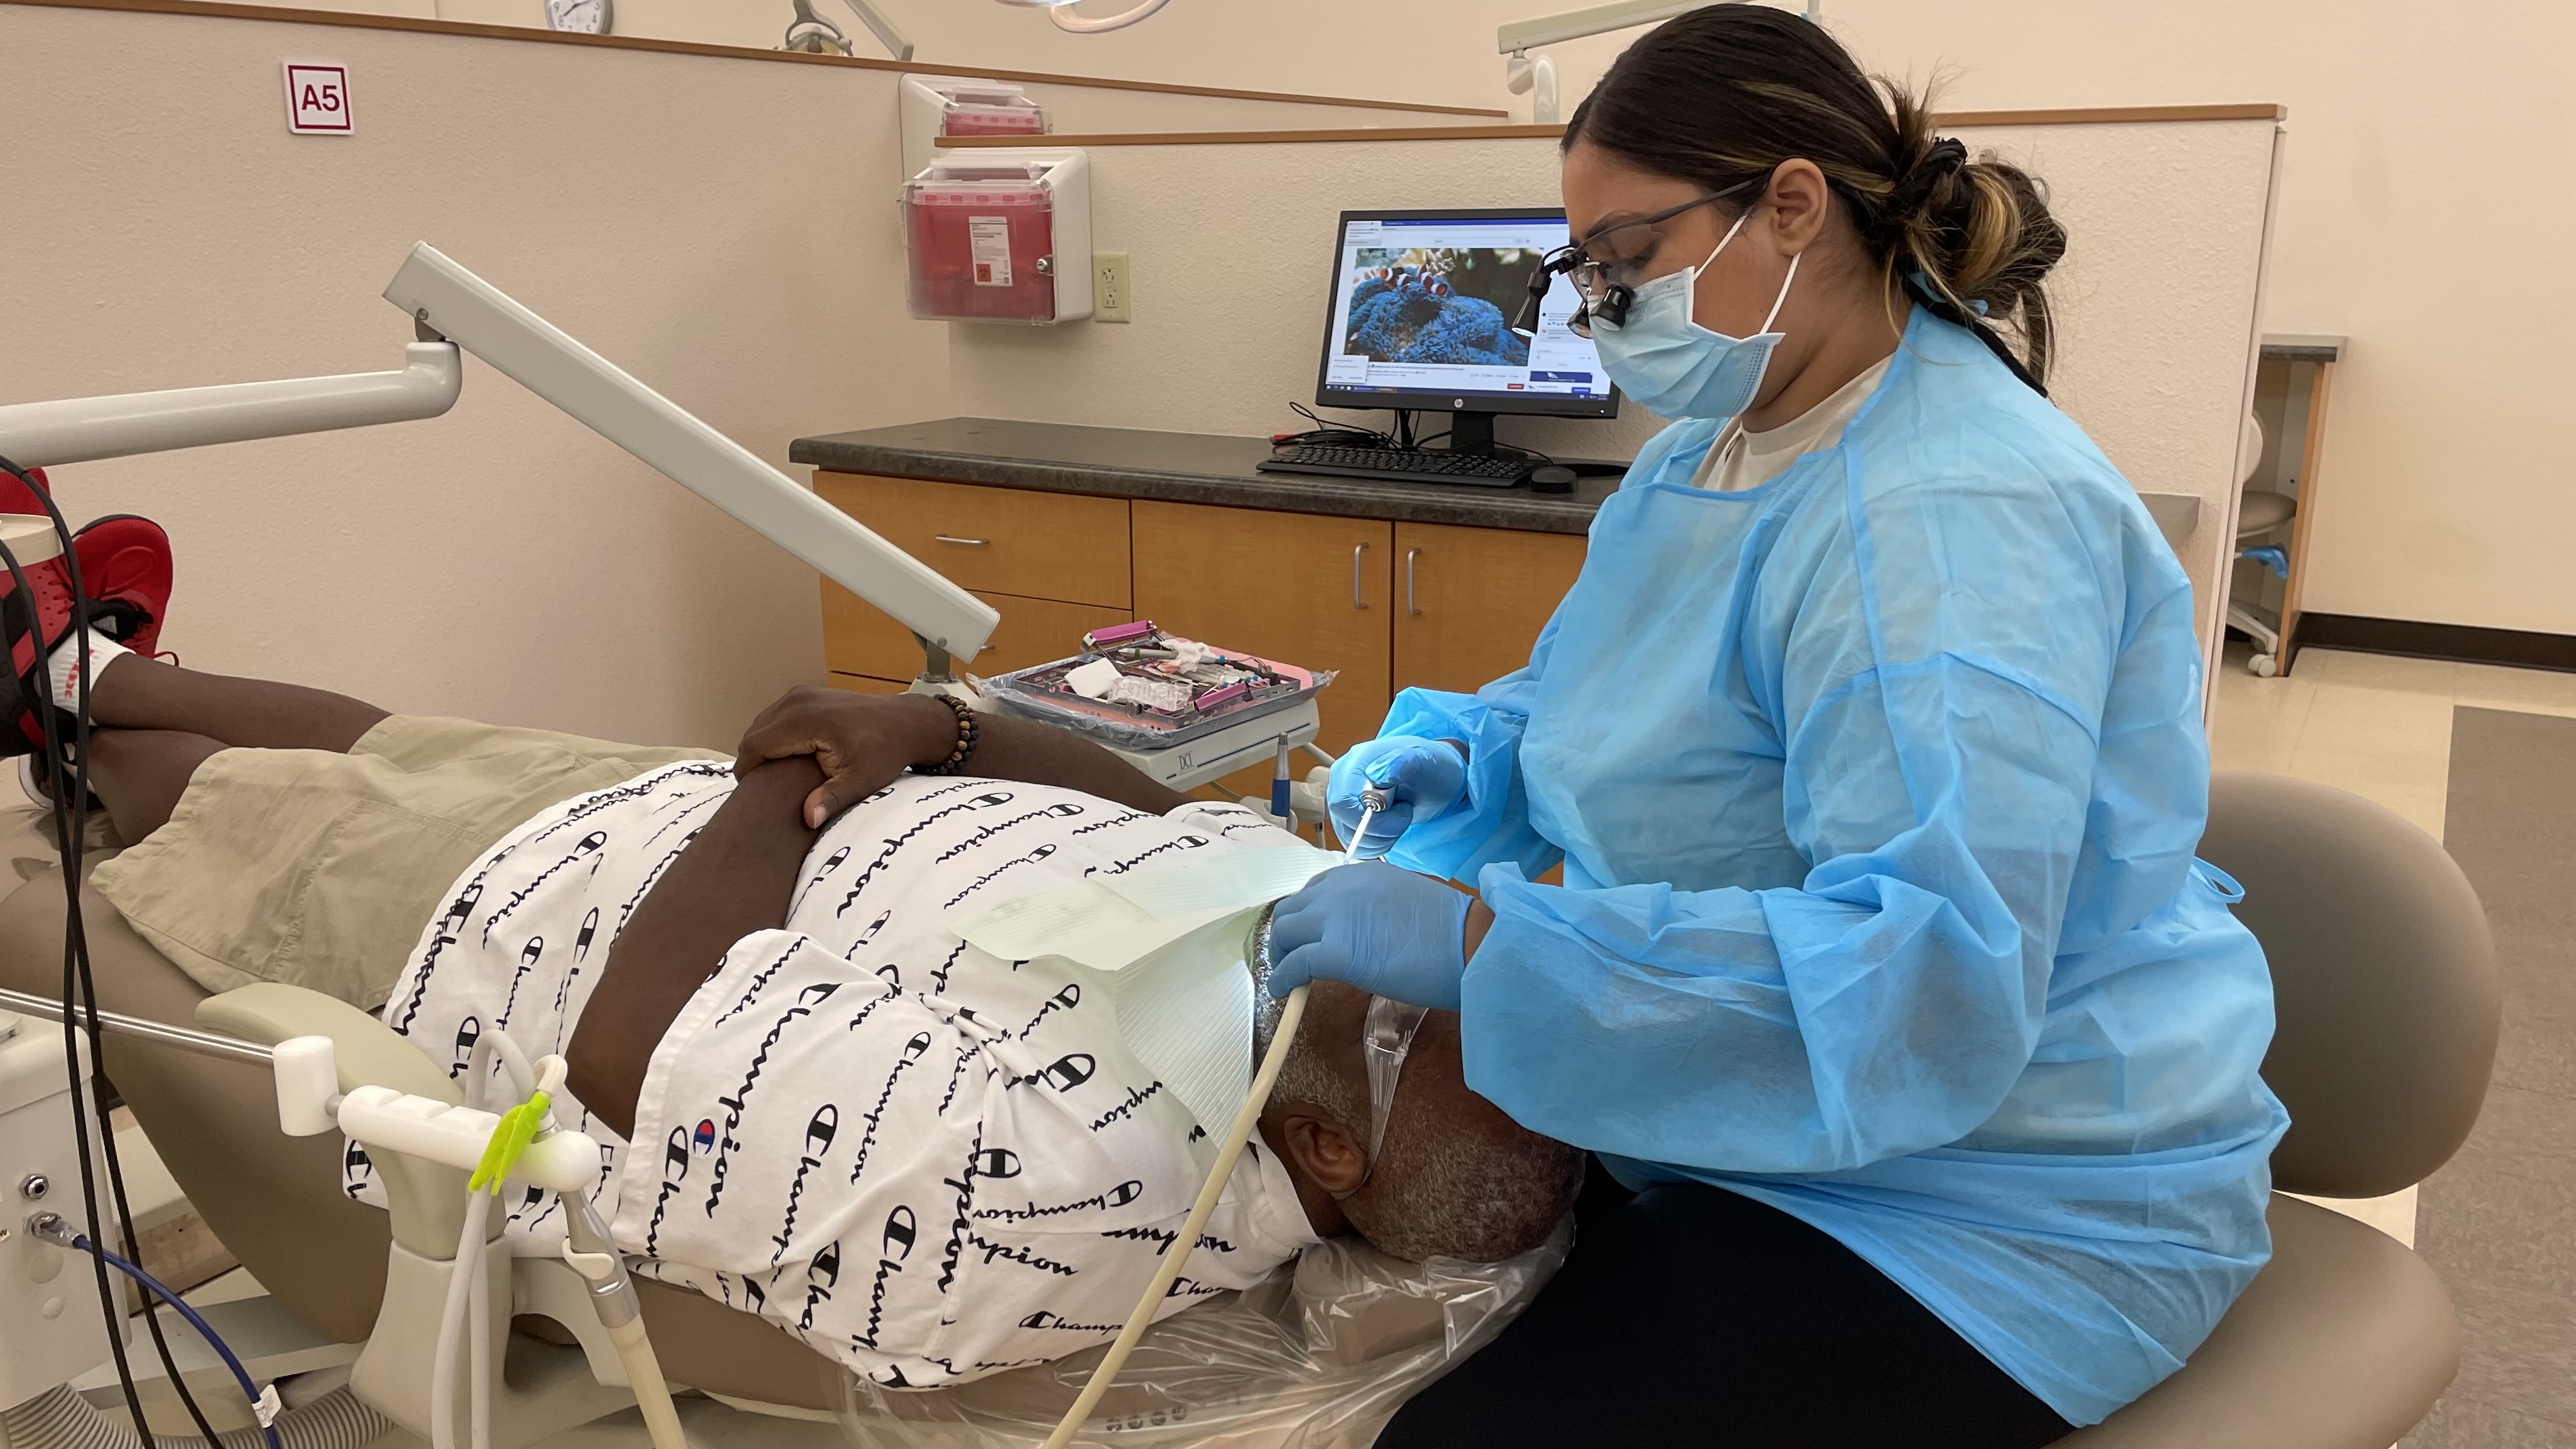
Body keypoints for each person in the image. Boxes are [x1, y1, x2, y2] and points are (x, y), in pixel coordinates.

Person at [1234, 9, 2290, 1446]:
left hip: (2002, 1198)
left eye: (1625, 260)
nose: (1601, 309)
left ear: (1791, 205)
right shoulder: (1712, 449)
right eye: (1583, 270)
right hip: (1756, 1108)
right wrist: (1476, 757)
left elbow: (1928, 979)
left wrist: (1487, 948)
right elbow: (1603, 691)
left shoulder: (1950, 521)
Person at [0, 625, 1579, 1387]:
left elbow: (632, 1057)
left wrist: (786, 790)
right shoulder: (1298, 959)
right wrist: (937, 727)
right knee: (397, 730)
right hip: (681, 818)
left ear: (1332, 1155)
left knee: (208, 796)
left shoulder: (1069, 1190)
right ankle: (77, 656)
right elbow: (1165, 823)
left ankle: (74, 733)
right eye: (1469, 939)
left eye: (1413, 1015)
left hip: (513, 922)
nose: (1426, 942)